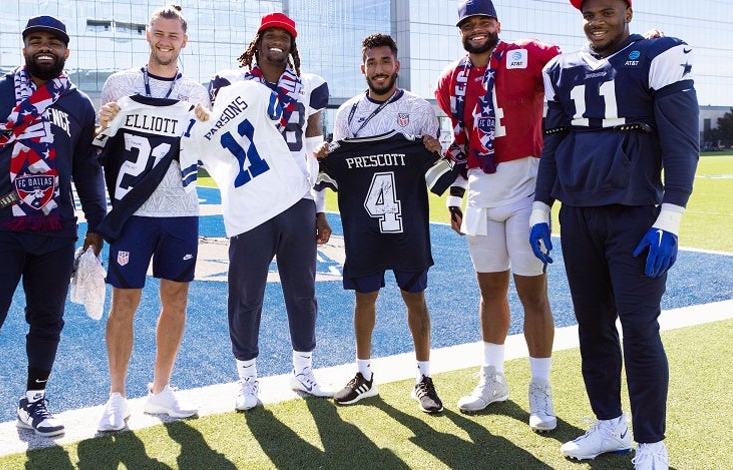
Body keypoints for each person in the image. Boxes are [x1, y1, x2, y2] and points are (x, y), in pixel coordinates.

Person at [530, 0, 699, 467]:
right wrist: (541, 207)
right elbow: (554, 141)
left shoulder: (658, 54)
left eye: (607, 10)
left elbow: (683, 141)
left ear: (628, 11)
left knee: (640, 330)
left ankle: (651, 442)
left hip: (635, 214)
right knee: (593, 327)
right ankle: (610, 426)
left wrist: (670, 217)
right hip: (579, 216)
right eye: (588, 13)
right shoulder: (562, 68)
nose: (596, 20)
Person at [0, 15, 106, 458]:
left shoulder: (78, 104)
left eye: (54, 42)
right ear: (24, 48)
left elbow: (88, 168)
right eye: (36, 41)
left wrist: (97, 224)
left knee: (48, 320)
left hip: (55, 231)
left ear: (67, 51)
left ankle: (33, 401)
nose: (44, 48)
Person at [434, 0, 561, 431]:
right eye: (468, 24)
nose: (477, 29)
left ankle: (540, 387)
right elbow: (459, 141)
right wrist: (455, 196)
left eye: (483, 21)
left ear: (497, 24)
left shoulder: (526, 55)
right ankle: (493, 379)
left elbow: (581, 63)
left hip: (527, 186)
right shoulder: (451, 78)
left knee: (533, 294)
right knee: (490, 293)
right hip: (480, 191)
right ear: (460, 31)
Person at [206, 12, 334, 410]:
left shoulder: (308, 87)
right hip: (252, 201)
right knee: (246, 294)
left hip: (296, 200)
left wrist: (320, 209)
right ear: (258, 41)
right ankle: (247, 379)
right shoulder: (231, 83)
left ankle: (303, 370)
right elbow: (213, 134)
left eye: (285, 36)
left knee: (303, 292)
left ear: (292, 44)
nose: (277, 40)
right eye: (270, 34)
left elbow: (314, 152)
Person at [92, 5, 208, 433]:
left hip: (182, 211)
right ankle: (117, 396)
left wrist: (205, 128)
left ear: (184, 40)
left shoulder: (197, 91)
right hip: (134, 211)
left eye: (173, 35)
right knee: (125, 301)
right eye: (158, 33)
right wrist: (101, 124)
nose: (165, 40)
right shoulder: (119, 84)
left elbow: (206, 151)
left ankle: (160, 390)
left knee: (176, 300)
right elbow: (98, 147)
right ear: (147, 35)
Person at [315, 33, 446, 413]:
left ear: (396, 65)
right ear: (363, 68)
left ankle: (423, 377)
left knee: (415, 297)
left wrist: (435, 151)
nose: (378, 69)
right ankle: (364, 375)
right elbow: (332, 166)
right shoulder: (347, 114)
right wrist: (323, 188)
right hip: (364, 226)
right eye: (371, 63)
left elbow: (438, 168)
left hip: (408, 224)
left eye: (385, 61)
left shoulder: (420, 110)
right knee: (364, 298)